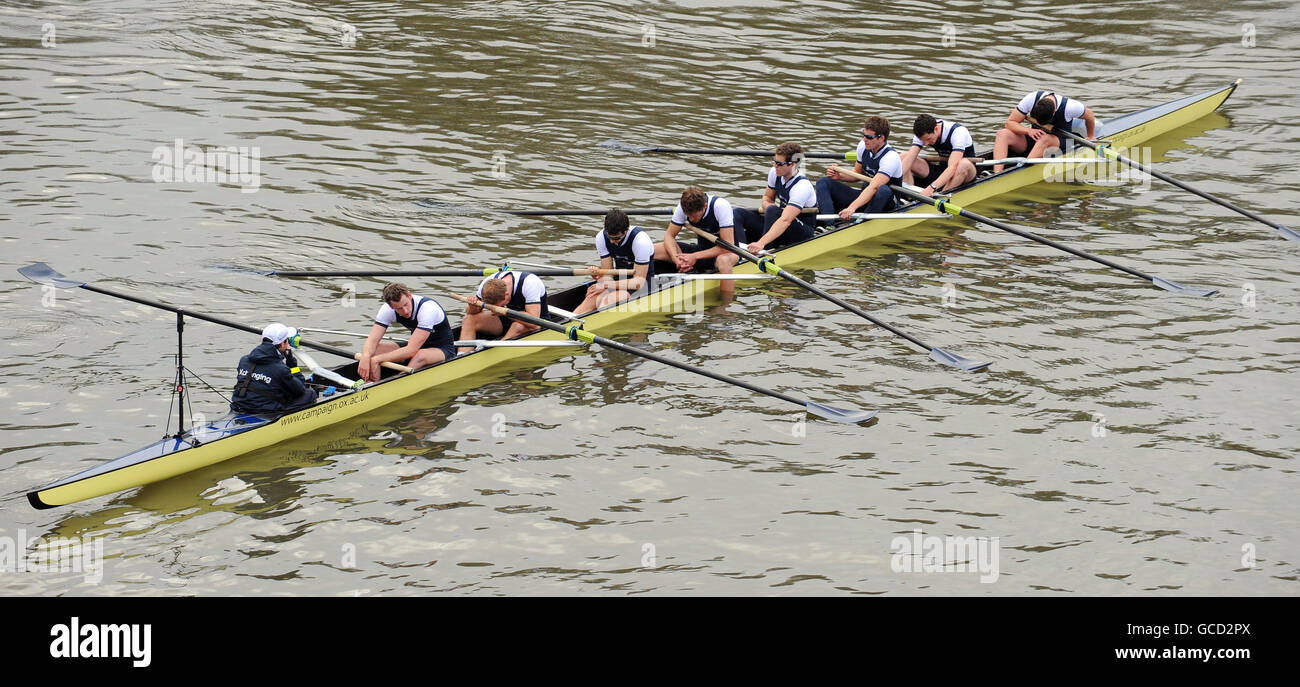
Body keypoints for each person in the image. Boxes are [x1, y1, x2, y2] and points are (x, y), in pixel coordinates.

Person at [357, 283, 457, 382]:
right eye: (399, 308)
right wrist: (366, 356)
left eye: (406, 304)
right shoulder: (387, 309)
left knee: (420, 356)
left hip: (442, 349)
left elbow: (411, 350)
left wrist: (377, 360)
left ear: (409, 295)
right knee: (374, 350)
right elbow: (372, 340)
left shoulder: (428, 309)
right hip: (416, 346)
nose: (405, 311)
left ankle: (396, 384)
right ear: (391, 306)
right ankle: (370, 385)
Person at [732, 142, 818, 254]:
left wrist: (761, 242)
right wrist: (768, 208)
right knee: (737, 213)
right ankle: (739, 254)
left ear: (792, 165)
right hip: (780, 220)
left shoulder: (802, 187)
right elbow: (767, 198)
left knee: (773, 211)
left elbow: (785, 221)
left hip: (802, 230)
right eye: (774, 161)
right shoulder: (774, 172)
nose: (774, 166)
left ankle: (763, 250)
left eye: (779, 163)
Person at [656, 187, 743, 295]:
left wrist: (694, 256)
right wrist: (676, 258)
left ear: (705, 206)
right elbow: (669, 236)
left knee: (723, 261)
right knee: (655, 249)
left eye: (694, 216)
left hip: (728, 253)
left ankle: (725, 306)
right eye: (689, 216)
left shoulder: (720, 206)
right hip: (701, 251)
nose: (691, 219)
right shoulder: (683, 207)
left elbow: (728, 246)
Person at [818, 116, 903, 220]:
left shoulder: (890, 157)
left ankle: (860, 222)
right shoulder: (863, 146)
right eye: (864, 135)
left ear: (881, 138)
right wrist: (840, 176)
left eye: (869, 137)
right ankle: (828, 225)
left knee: (882, 190)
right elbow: (857, 174)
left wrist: (852, 207)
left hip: (886, 202)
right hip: (866, 197)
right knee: (823, 182)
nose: (865, 139)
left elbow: (874, 187)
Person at [992, 90, 1097, 172]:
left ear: (1054, 111)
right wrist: (1028, 130)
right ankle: (997, 174)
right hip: (1035, 138)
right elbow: (1010, 123)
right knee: (1002, 133)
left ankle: (1020, 171)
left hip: (1061, 143)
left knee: (1045, 138)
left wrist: (1091, 136)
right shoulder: (1031, 99)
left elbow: (1090, 115)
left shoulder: (1071, 107)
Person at [576, 209, 655, 314]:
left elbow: (638, 283)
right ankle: (569, 322)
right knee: (590, 298)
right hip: (618, 280)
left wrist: (605, 285)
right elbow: (608, 274)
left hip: (642, 285)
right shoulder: (601, 237)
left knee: (606, 301)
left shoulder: (640, 241)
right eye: (609, 237)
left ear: (626, 231)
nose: (612, 241)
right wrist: (600, 276)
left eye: (616, 238)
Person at [230, 322, 318, 414]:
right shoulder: (280, 369)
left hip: (240, 406)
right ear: (282, 343)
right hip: (266, 411)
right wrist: (292, 364)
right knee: (310, 394)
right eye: (287, 341)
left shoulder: (244, 360)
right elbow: (301, 389)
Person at [459, 268, 548, 352]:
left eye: (497, 307)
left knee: (517, 326)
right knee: (469, 319)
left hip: (538, 322)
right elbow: (473, 312)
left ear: (506, 294)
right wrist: (472, 306)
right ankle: (462, 356)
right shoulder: (487, 284)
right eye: (491, 307)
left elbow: (534, 322)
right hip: (504, 317)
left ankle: (497, 351)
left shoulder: (529, 283)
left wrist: (504, 311)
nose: (493, 311)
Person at [900, 114, 978, 197]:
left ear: (936, 129)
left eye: (928, 139)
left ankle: (940, 199)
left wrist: (931, 188)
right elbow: (910, 159)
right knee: (904, 157)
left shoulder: (958, 132)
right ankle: (909, 198)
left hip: (965, 175)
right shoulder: (922, 132)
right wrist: (892, 178)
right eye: (923, 141)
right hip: (943, 171)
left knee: (963, 164)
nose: (926, 144)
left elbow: (952, 167)